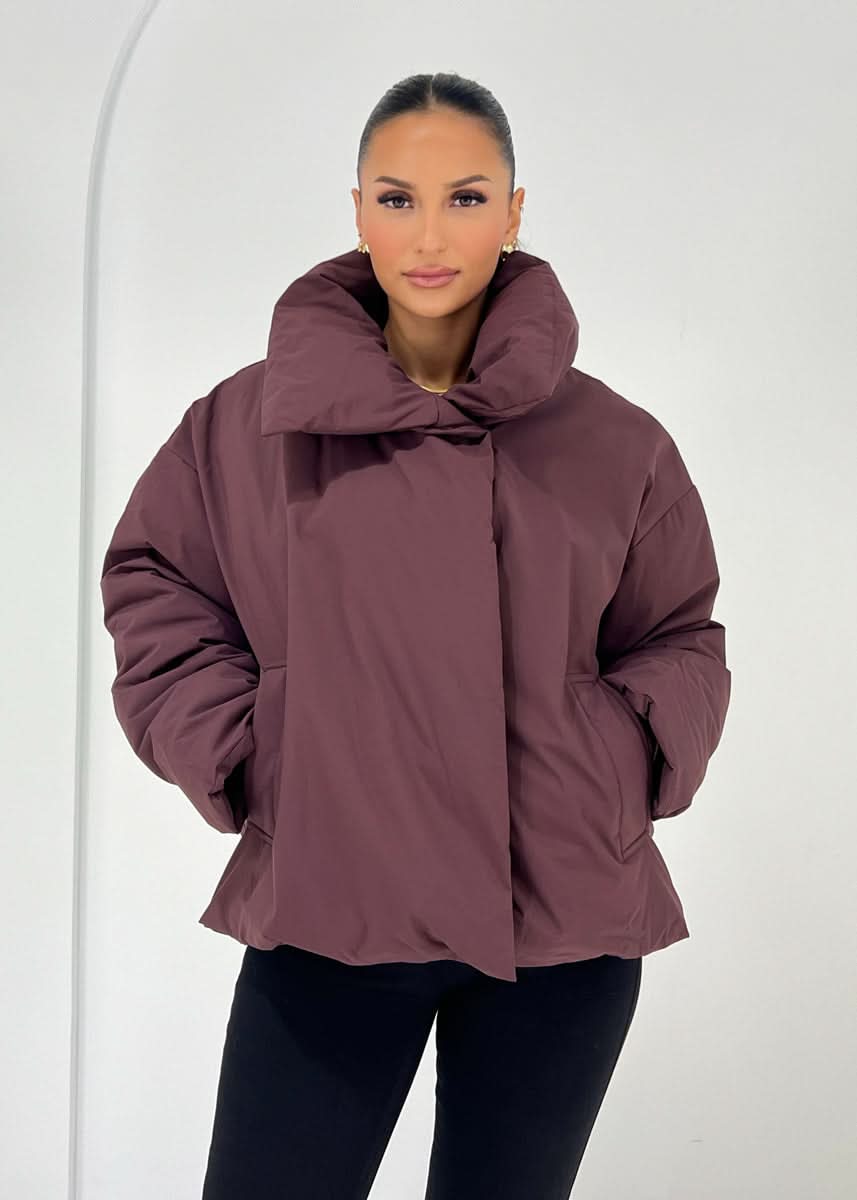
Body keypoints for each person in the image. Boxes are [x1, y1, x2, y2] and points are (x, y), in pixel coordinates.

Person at [100, 71, 731, 1199]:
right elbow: (158, 587)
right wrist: (254, 751)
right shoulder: (244, 426)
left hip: (562, 927)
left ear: (513, 212)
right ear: (357, 211)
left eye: (465, 197)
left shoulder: (616, 441)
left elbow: (677, 632)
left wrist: (611, 762)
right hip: (328, 906)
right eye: (397, 199)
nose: (429, 235)